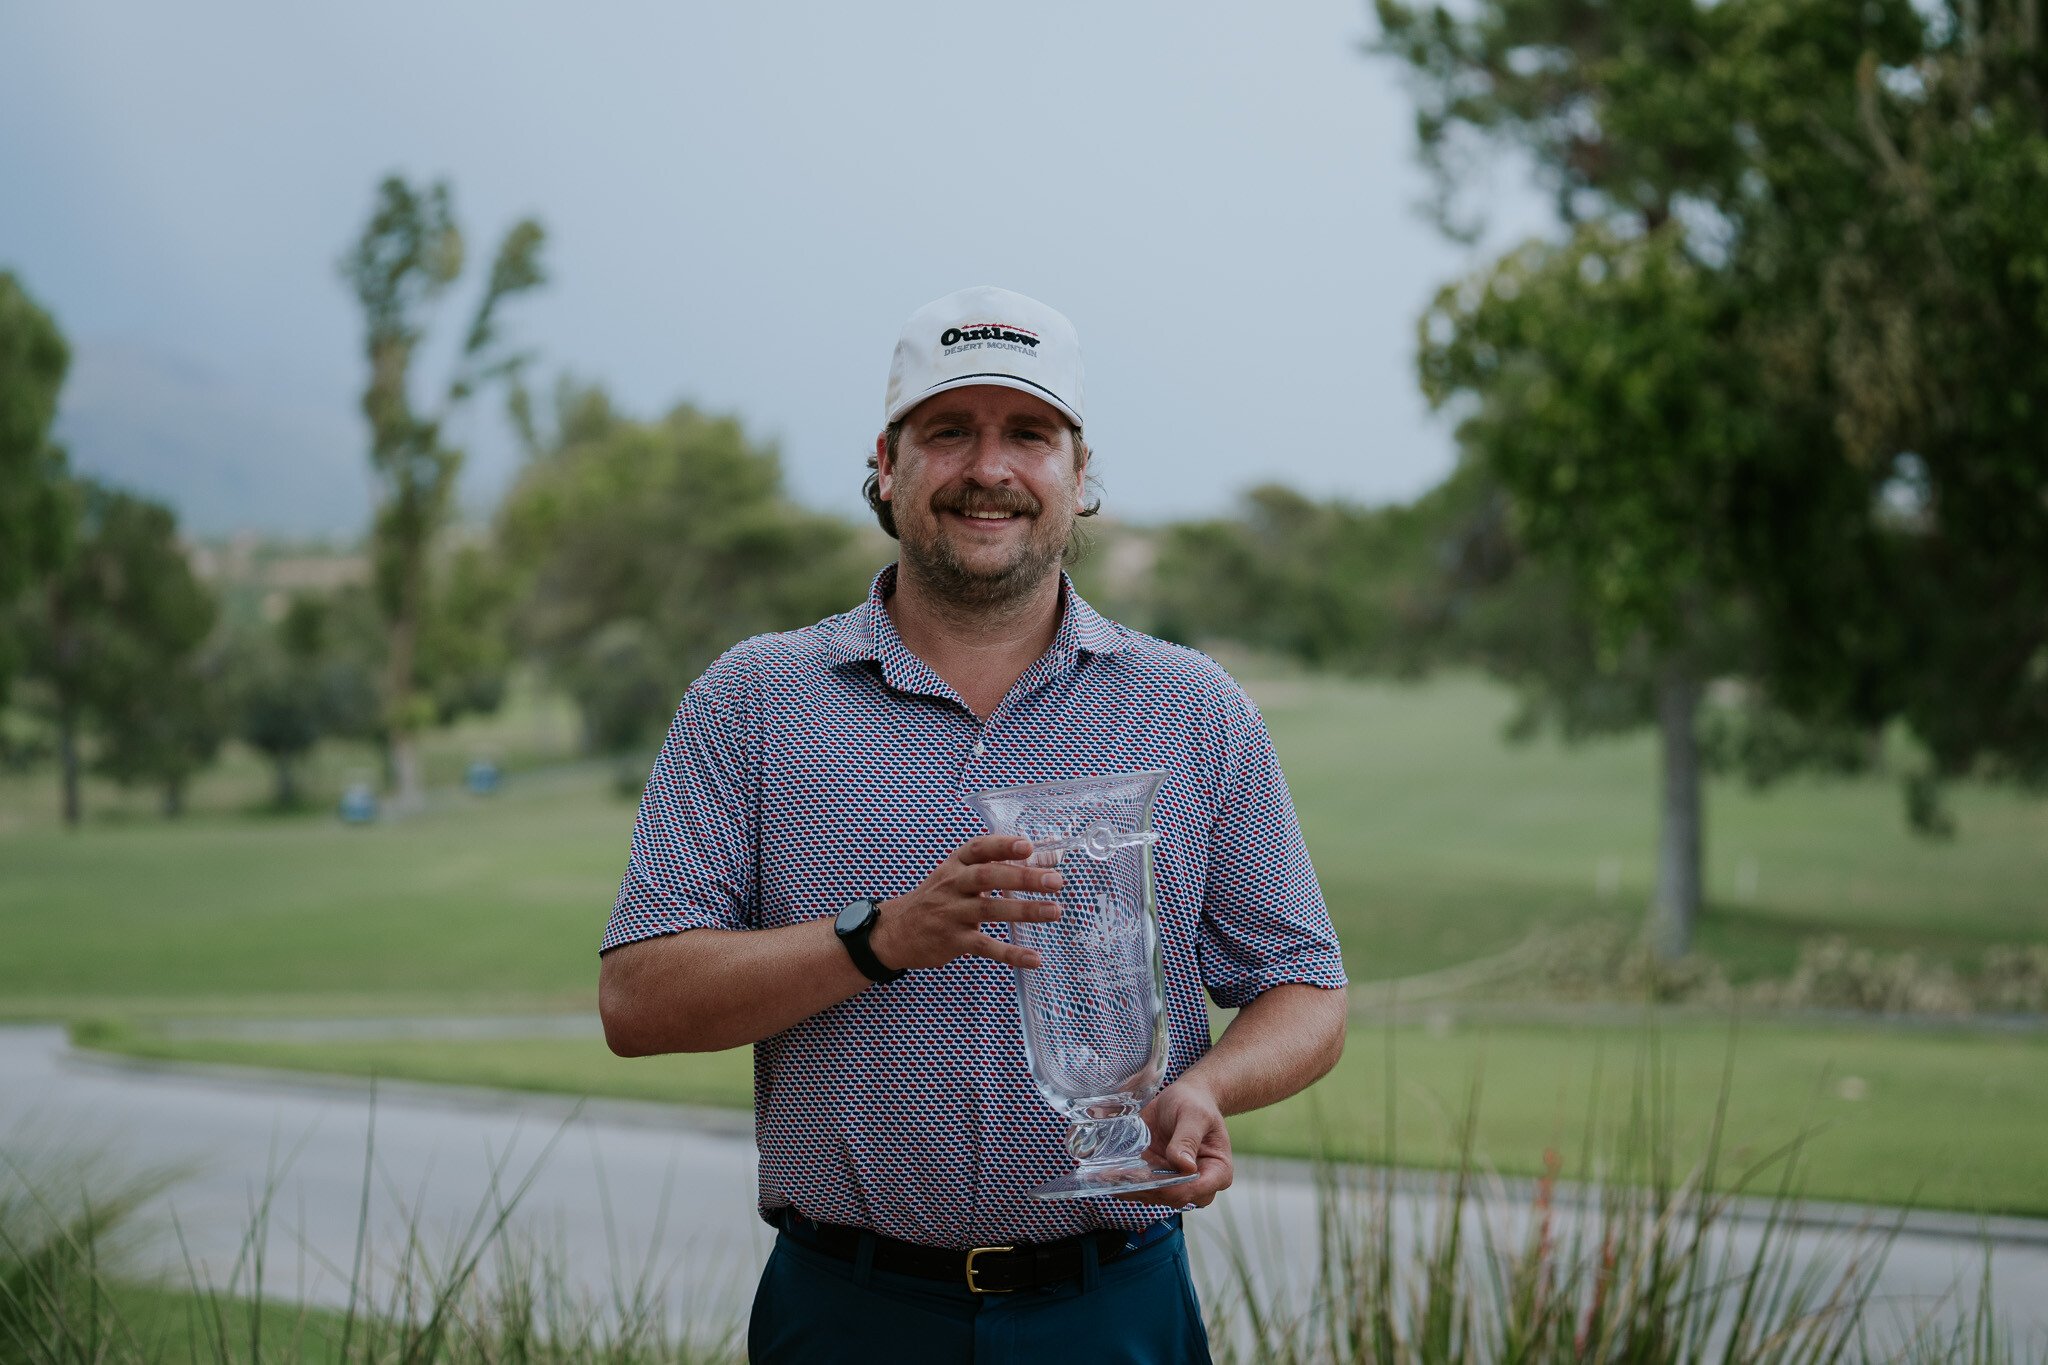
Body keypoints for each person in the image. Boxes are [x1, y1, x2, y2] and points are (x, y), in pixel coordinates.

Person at [597, 285, 1348, 1363]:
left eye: (1028, 434)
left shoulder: (1192, 710)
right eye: (948, 431)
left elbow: (1307, 988)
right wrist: (878, 939)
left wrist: (1205, 1088)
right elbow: (637, 1001)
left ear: (1077, 472)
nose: (988, 468)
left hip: (1110, 1306)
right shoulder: (751, 700)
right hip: (847, 1310)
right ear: (888, 464)